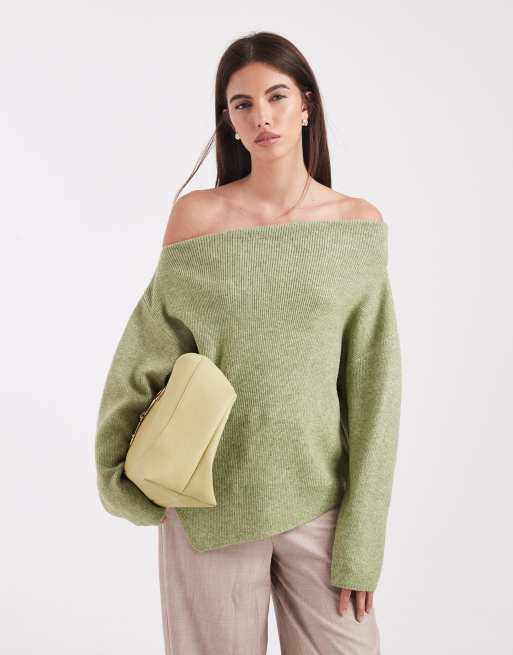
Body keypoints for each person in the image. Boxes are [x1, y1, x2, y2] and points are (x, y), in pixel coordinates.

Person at [95, 31, 402, 655]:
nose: (262, 116)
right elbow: (143, 355)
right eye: (243, 104)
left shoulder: (356, 226)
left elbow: (376, 391)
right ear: (229, 121)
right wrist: (118, 476)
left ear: (307, 104)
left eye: (277, 96)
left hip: (320, 504)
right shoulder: (196, 219)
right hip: (206, 506)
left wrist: (363, 538)